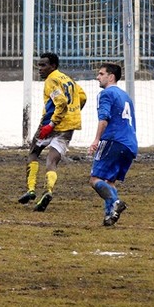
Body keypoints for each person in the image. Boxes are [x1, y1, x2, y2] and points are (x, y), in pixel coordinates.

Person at [17, 52, 86, 212]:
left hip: (51, 124)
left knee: (33, 152)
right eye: (39, 65)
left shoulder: (51, 80)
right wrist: (73, 112)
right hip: (68, 127)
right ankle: (48, 191)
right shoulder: (68, 79)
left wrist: (52, 123)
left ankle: (31, 189)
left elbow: (60, 102)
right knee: (52, 161)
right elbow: (82, 96)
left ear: (53, 66)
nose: (39, 68)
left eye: (43, 65)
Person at [87, 63, 137, 226]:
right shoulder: (125, 96)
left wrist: (96, 140)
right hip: (129, 144)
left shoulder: (106, 94)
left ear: (111, 77)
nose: (97, 77)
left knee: (95, 179)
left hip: (113, 140)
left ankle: (115, 202)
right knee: (110, 182)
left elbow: (104, 119)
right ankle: (110, 215)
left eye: (101, 74)